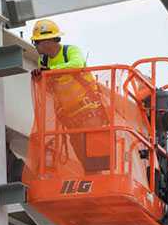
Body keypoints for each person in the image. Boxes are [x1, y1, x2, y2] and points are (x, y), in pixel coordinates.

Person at [29, 19, 110, 172]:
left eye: (37, 42)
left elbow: (76, 65)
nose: (35, 46)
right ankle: (93, 182)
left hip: (89, 111)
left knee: (92, 157)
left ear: (47, 42)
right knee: (82, 156)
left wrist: (50, 72)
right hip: (71, 118)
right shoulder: (43, 60)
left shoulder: (71, 51)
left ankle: (97, 180)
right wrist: (41, 76)